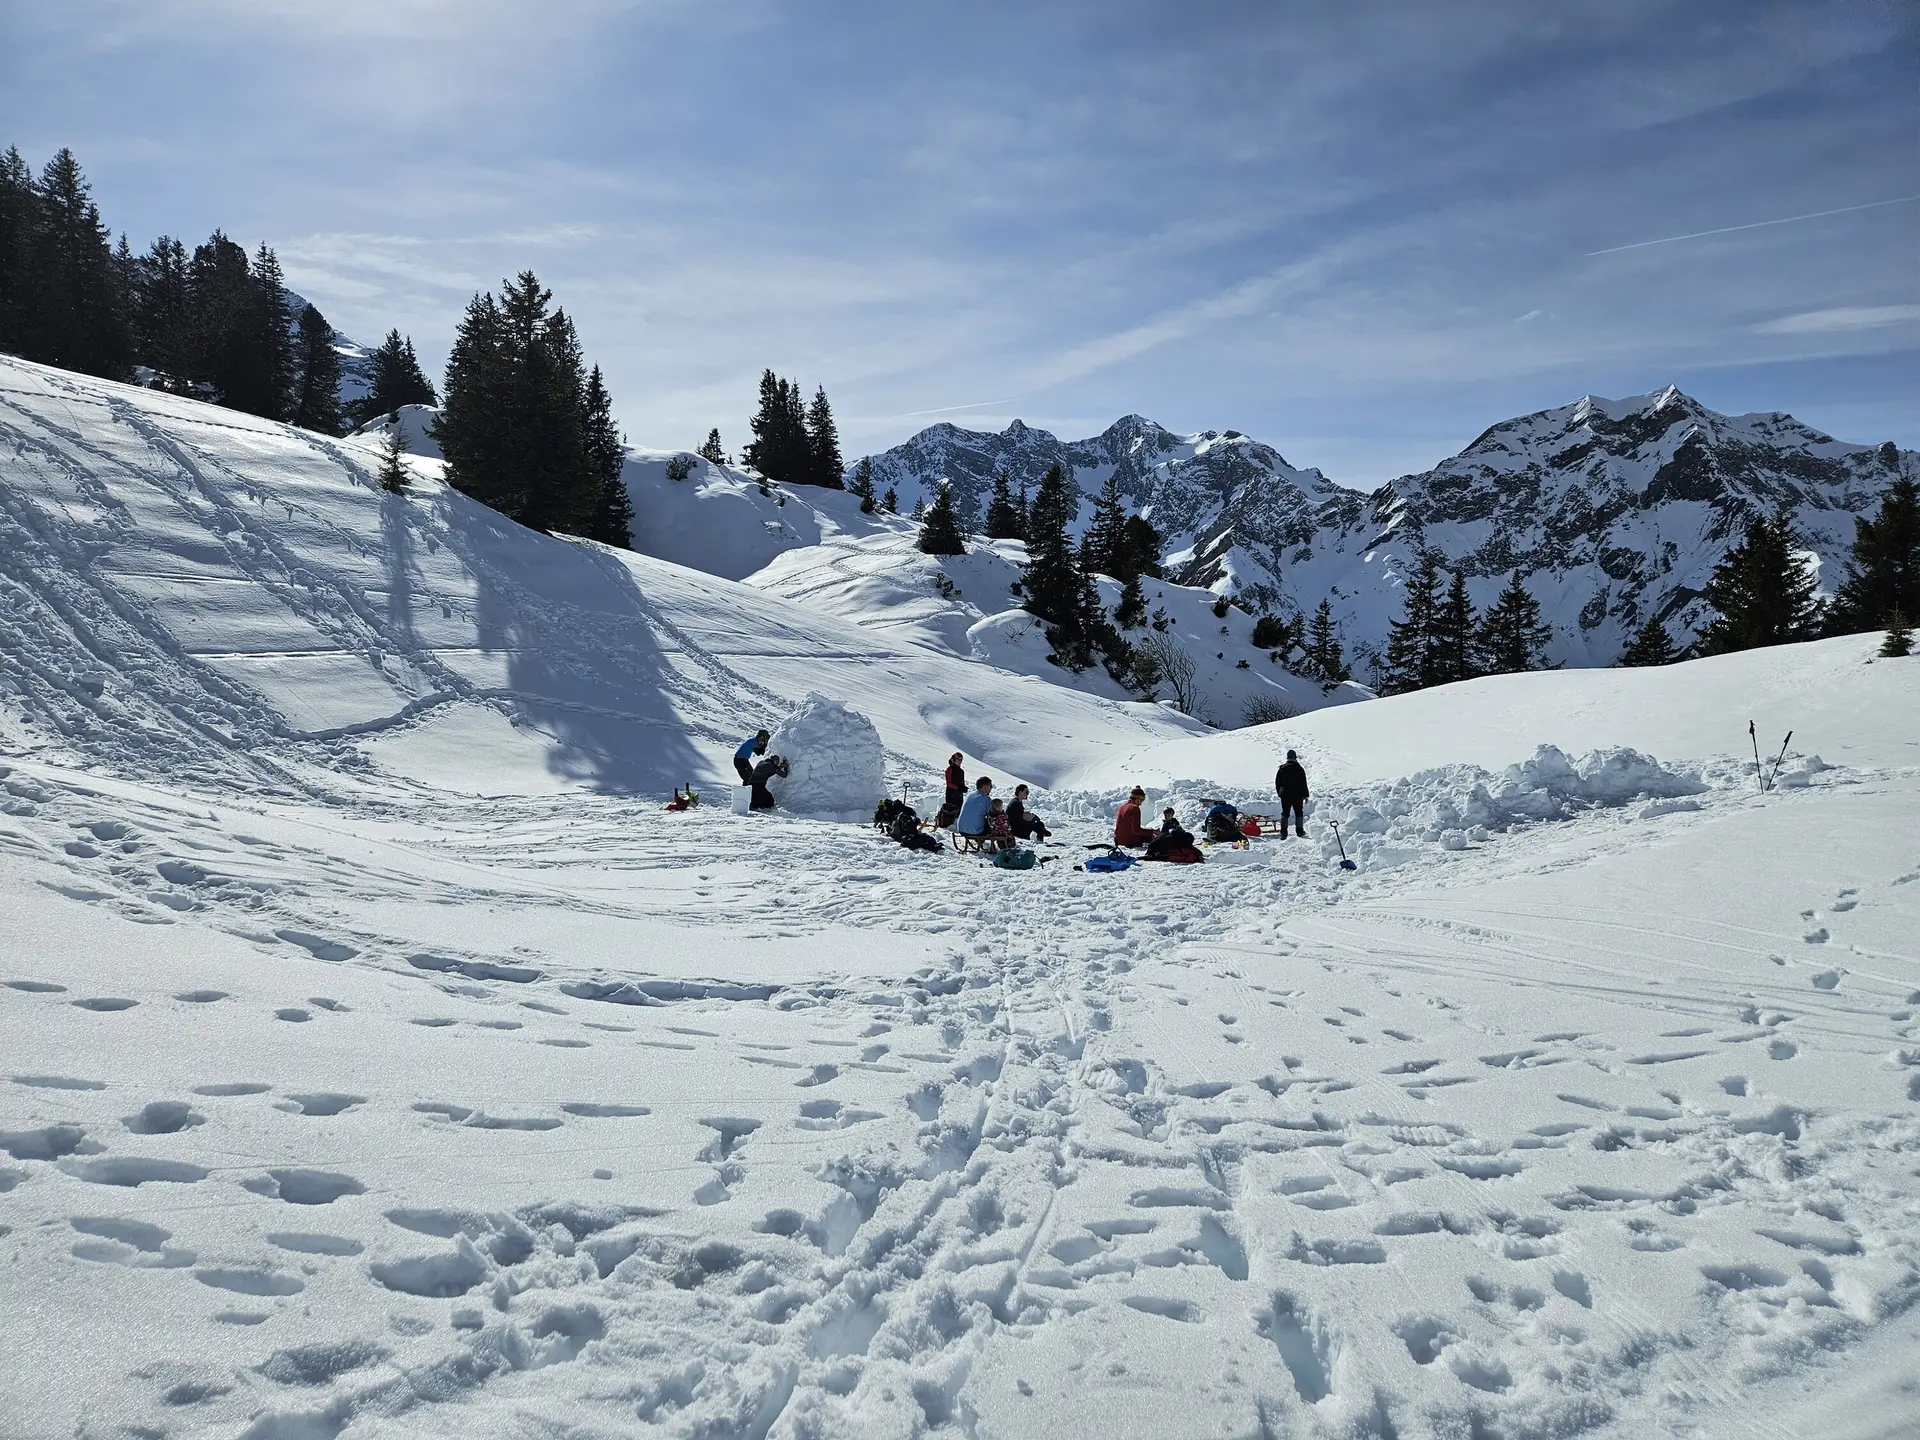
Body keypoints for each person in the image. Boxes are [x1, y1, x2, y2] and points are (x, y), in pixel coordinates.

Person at [1275, 749, 1310, 838]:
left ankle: (1283, 833)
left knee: (1285, 813)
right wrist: (1306, 795)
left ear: (1287, 758)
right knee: (1298, 812)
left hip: (1285, 795)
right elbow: (1303, 783)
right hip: (1297, 795)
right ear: (1295, 758)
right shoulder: (1299, 769)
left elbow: (1277, 783)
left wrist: (1280, 793)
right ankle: (1299, 831)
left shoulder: (1282, 769)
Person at [955, 776, 994, 840]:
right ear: (985, 786)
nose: (991, 788)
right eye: (990, 786)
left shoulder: (969, 794)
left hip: (961, 829)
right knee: (990, 822)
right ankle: (983, 841)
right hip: (975, 832)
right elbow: (992, 814)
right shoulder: (986, 799)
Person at [935, 753, 966, 829]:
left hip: (959, 793)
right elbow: (949, 783)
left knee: (959, 808)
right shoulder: (950, 769)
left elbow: (962, 782)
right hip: (951, 793)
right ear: (954, 759)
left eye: (961, 759)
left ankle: (956, 824)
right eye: (958, 759)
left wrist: (963, 788)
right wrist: (958, 788)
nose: (960, 761)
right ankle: (947, 823)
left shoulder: (961, 771)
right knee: (950, 809)